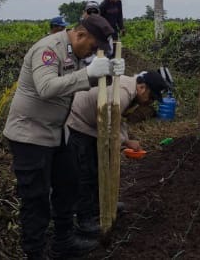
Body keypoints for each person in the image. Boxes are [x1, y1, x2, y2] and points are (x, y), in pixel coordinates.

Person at [2, 15, 121, 260]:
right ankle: (34, 252)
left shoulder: (75, 54)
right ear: (80, 35)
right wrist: (88, 72)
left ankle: (63, 241)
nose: (92, 53)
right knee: (36, 198)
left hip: (57, 133)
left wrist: (108, 73)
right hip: (30, 135)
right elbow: (47, 88)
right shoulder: (48, 50)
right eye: (92, 47)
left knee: (69, 184)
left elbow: (78, 81)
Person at [66, 70, 171, 236]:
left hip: (94, 124)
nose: (150, 102)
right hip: (81, 123)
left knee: (98, 171)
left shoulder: (130, 92)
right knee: (87, 173)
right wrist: (121, 143)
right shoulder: (122, 93)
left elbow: (118, 119)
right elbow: (108, 123)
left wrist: (126, 140)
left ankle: (100, 207)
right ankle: (85, 220)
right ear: (142, 88)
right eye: (151, 97)